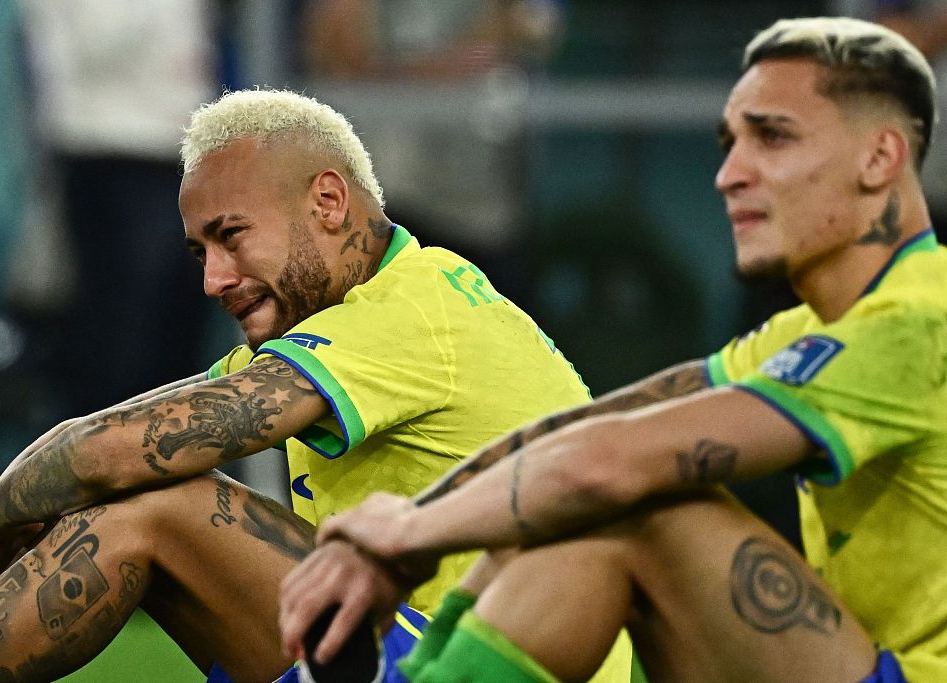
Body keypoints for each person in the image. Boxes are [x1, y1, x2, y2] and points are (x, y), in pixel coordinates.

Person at [280, 16, 947, 682]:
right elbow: (591, 430)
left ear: (879, 158)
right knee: (581, 488)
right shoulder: (819, 329)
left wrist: (406, 532)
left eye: (772, 136)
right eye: (730, 141)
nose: (729, 174)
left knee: (636, 503)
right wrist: (414, 527)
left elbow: (609, 465)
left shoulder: (918, 325)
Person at [0, 89, 628, 682]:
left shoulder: (413, 309)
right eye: (201, 251)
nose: (213, 279)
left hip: (496, 665)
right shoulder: (344, 326)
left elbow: (117, 451)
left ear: (327, 201)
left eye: (233, 236)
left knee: (161, 502)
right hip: (444, 651)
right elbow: (116, 437)